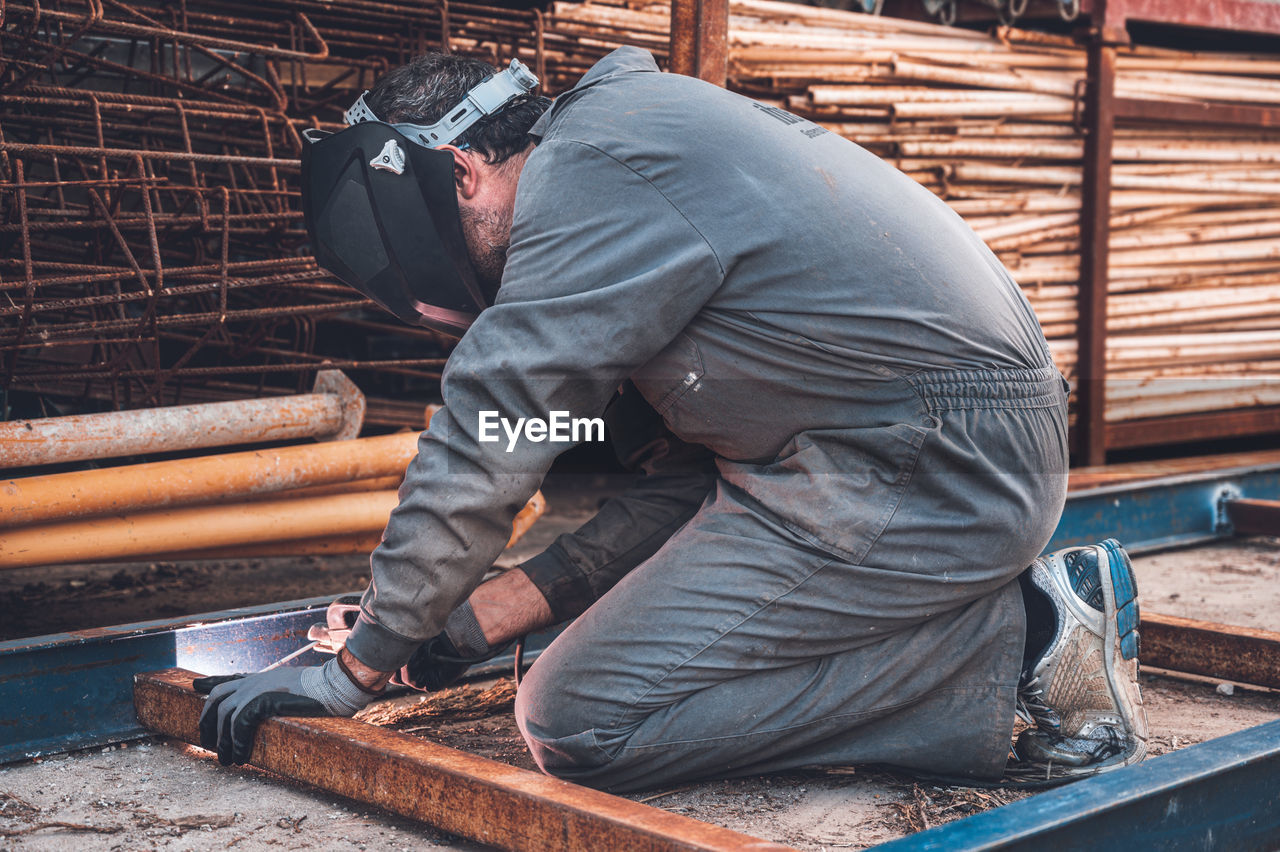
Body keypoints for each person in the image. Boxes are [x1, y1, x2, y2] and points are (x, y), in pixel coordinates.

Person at [197, 46, 1147, 791]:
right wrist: (479, 616)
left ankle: (1022, 637)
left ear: (460, 174)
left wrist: (357, 667)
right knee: (599, 663)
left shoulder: (586, 184)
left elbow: (495, 435)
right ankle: (1008, 623)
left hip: (927, 462)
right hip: (901, 444)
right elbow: (690, 481)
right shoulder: (630, 145)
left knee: (578, 722)